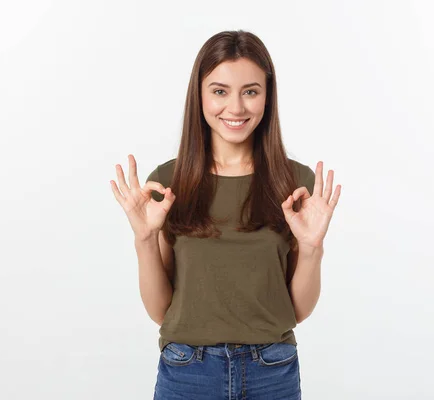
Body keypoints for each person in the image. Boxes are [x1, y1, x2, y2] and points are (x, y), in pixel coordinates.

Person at [111, 30, 341, 400]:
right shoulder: (169, 183)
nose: (235, 108)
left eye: (250, 91)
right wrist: (144, 240)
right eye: (220, 91)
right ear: (199, 95)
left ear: (267, 96)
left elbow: (296, 311)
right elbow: (160, 312)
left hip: (272, 372)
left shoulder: (296, 183)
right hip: (187, 372)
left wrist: (312, 247)